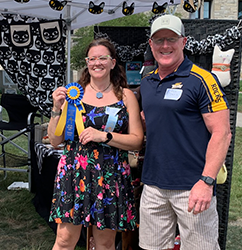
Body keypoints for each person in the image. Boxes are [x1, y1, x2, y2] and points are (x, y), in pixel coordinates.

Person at [139, 15, 231, 250]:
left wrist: (206, 181)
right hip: (153, 186)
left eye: (171, 39)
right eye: (159, 40)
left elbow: (222, 132)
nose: (165, 46)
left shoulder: (203, 80)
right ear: (151, 45)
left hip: (193, 187)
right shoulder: (147, 82)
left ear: (184, 41)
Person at [48, 38, 144, 250]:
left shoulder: (126, 96)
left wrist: (105, 136)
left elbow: (137, 140)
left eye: (103, 58)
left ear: (112, 63)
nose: (97, 63)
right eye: (93, 58)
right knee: (64, 240)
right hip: (74, 173)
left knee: (105, 243)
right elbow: (55, 141)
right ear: (87, 62)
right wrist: (56, 108)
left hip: (110, 175)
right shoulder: (74, 95)